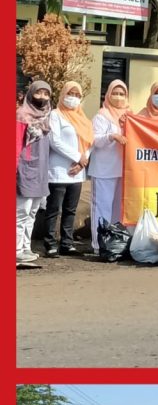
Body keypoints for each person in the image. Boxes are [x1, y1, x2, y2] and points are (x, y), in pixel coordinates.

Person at [43, 81, 93, 258]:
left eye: (77, 95)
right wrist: (77, 157)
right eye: (70, 93)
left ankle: (67, 243)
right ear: (63, 94)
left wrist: (82, 161)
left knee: (71, 209)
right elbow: (54, 141)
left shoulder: (83, 119)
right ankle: (49, 244)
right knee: (53, 209)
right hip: (58, 170)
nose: (74, 98)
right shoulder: (55, 115)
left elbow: (89, 141)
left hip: (77, 172)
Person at [88, 80, 131, 253]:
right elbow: (95, 140)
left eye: (122, 94)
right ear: (108, 94)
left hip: (123, 170)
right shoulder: (102, 115)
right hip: (104, 170)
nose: (118, 97)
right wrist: (111, 136)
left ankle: (115, 243)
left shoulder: (131, 116)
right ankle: (99, 244)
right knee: (101, 207)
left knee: (117, 210)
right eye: (115, 93)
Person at [16, 79, 52, 266]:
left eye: (46, 94)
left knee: (32, 213)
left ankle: (25, 248)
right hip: (25, 169)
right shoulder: (22, 116)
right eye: (38, 93)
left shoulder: (46, 117)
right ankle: (15, 250)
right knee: (21, 212)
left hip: (40, 171)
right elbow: (15, 145)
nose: (42, 97)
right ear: (31, 94)